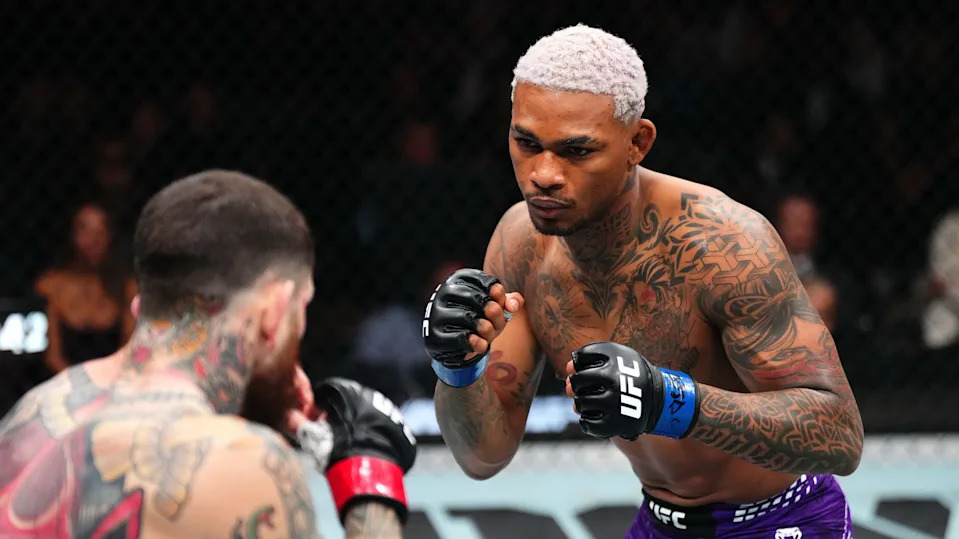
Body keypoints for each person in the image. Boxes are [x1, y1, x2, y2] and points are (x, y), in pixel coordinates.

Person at [423, 25, 863, 538]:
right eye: (527, 143)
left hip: (782, 520)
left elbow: (839, 436)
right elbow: (483, 457)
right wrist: (457, 368)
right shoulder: (519, 243)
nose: (543, 173)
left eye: (576, 151)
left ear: (637, 143)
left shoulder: (722, 244)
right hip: (659, 523)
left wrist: (668, 400)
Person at [0, 170, 415, 538]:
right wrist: (369, 480)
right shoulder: (243, 462)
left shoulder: (34, 413)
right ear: (274, 311)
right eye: (299, 313)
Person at [35, 202, 137, 374]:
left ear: (110, 237)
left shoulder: (126, 287)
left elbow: (130, 349)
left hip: (114, 381)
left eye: (100, 232)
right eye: (86, 232)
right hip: (61, 382)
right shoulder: (50, 286)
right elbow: (51, 356)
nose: (94, 241)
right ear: (72, 236)